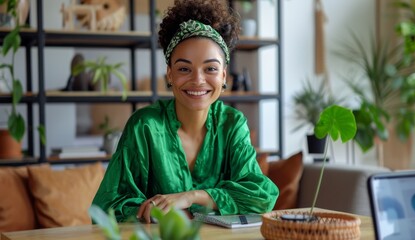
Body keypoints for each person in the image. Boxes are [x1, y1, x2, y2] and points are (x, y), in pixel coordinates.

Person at [92, 0, 279, 223]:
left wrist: (191, 197)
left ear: (224, 75)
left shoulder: (232, 124)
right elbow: (107, 207)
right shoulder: (145, 126)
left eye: (210, 68)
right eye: (184, 69)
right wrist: (154, 210)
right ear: (169, 74)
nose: (198, 80)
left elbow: (261, 196)